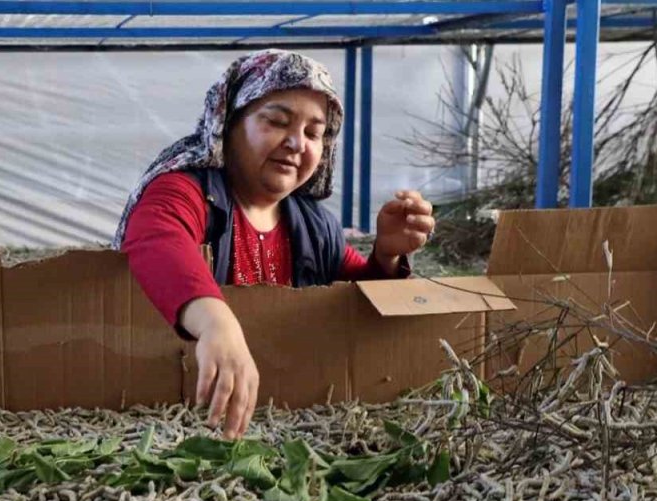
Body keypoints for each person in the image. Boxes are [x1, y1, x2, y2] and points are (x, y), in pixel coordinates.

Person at [114, 49, 435, 440]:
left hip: (288, 413)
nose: (297, 143)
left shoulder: (314, 225)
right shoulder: (186, 190)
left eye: (315, 133)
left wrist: (387, 255)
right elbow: (158, 238)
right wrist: (217, 324)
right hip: (182, 410)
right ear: (228, 125)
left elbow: (353, 297)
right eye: (277, 121)